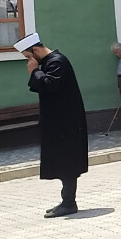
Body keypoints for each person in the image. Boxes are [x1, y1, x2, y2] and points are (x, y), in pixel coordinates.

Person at [17, 33, 89, 218]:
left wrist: (34, 71)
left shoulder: (57, 62)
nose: (29, 61)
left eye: (28, 57)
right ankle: (66, 200)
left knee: (68, 162)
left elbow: (50, 85)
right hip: (59, 123)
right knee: (62, 161)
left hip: (67, 124)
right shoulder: (50, 62)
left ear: (35, 50)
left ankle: (69, 202)